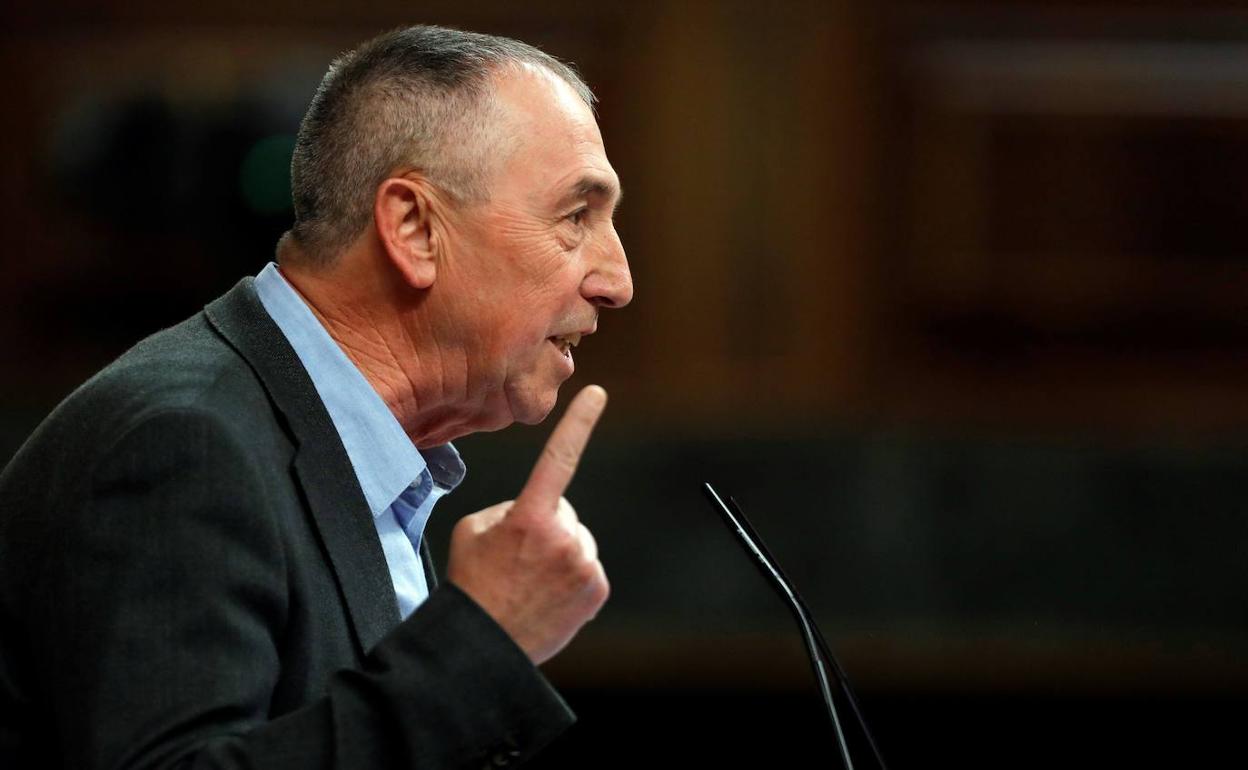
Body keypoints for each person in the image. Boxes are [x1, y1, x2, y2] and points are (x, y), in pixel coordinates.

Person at [0, 24, 631, 769]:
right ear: (414, 228)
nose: (617, 281)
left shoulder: (347, 449)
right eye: (575, 218)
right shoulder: (184, 443)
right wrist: (481, 642)